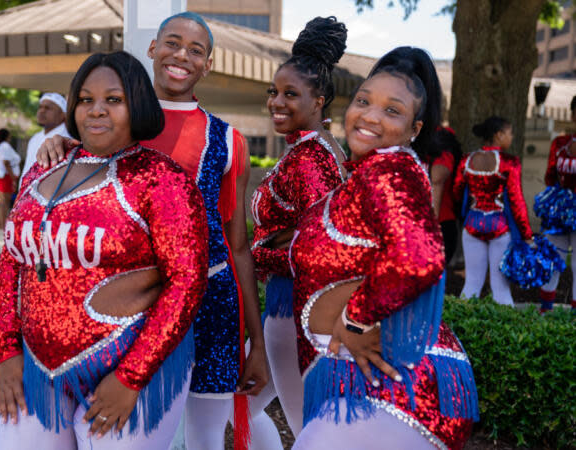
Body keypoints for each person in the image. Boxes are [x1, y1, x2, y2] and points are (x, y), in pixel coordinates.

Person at [36, 12, 271, 450]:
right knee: (132, 434)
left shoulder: (228, 139)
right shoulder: (112, 123)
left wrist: (256, 342)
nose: (181, 55)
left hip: (211, 303)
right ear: (152, 48)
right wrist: (61, 142)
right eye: (172, 43)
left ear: (208, 64)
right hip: (132, 311)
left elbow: (239, 246)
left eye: (196, 50)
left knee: (205, 435)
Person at [0, 51, 209, 450]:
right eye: (86, 99)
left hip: (134, 365)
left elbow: (186, 282)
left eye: (114, 100)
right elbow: (13, 261)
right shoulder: (45, 167)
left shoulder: (163, 180)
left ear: (137, 104)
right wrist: (7, 352)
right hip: (40, 369)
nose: (97, 111)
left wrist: (132, 376)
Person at [289, 47, 478, 450]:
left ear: (415, 128)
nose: (371, 116)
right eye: (363, 101)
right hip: (370, 382)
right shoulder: (366, 176)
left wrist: (357, 319)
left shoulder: (389, 168)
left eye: (392, 110)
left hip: (397, 386)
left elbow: (421, 256)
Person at [250, 16, 348, 437]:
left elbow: (317, 248)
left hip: (292, 307)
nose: (277, 102)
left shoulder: (308, 159)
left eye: (291, 94)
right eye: (274, 92)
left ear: (319, 100)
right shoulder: (325, 149)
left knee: (307, 428)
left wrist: (256, 250)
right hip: (302, 306)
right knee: (243, 401)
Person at [453, 116, 533, 306]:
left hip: (472, 223)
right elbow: (516, 201)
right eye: (510, 133)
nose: (512, 137)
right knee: (501, 286)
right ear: (499, 135)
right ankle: (505, 331)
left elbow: (457, 192)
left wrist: (464, 214)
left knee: (472, 283)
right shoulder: (509, 162)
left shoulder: (467, 160)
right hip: (499, 225)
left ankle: (461, 328)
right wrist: (527, 235)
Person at [535, 95, 576, 313]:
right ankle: (546, 311)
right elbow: (550, 175)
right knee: (552, 259)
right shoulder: (560, 143)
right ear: (572, 115)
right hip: (558, 212)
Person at [428, 126, 462, 265]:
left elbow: (437, 181)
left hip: (440, 222)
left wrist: (432, 223)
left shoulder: (444, 157)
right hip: (436, 222)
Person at [19, 93, 71, 184]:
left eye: (48, 108)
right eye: (40, 107)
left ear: (63, 115)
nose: (42, 111)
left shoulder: (66, 140)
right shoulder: (35, 138)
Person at [0, 128, 21, 231]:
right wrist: (13, 177)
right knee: (5, 202)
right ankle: (3, 224)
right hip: (6, 176)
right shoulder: (5, 146)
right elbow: (6, 162)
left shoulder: (0, 146)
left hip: (3, 176)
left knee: (2, 202)